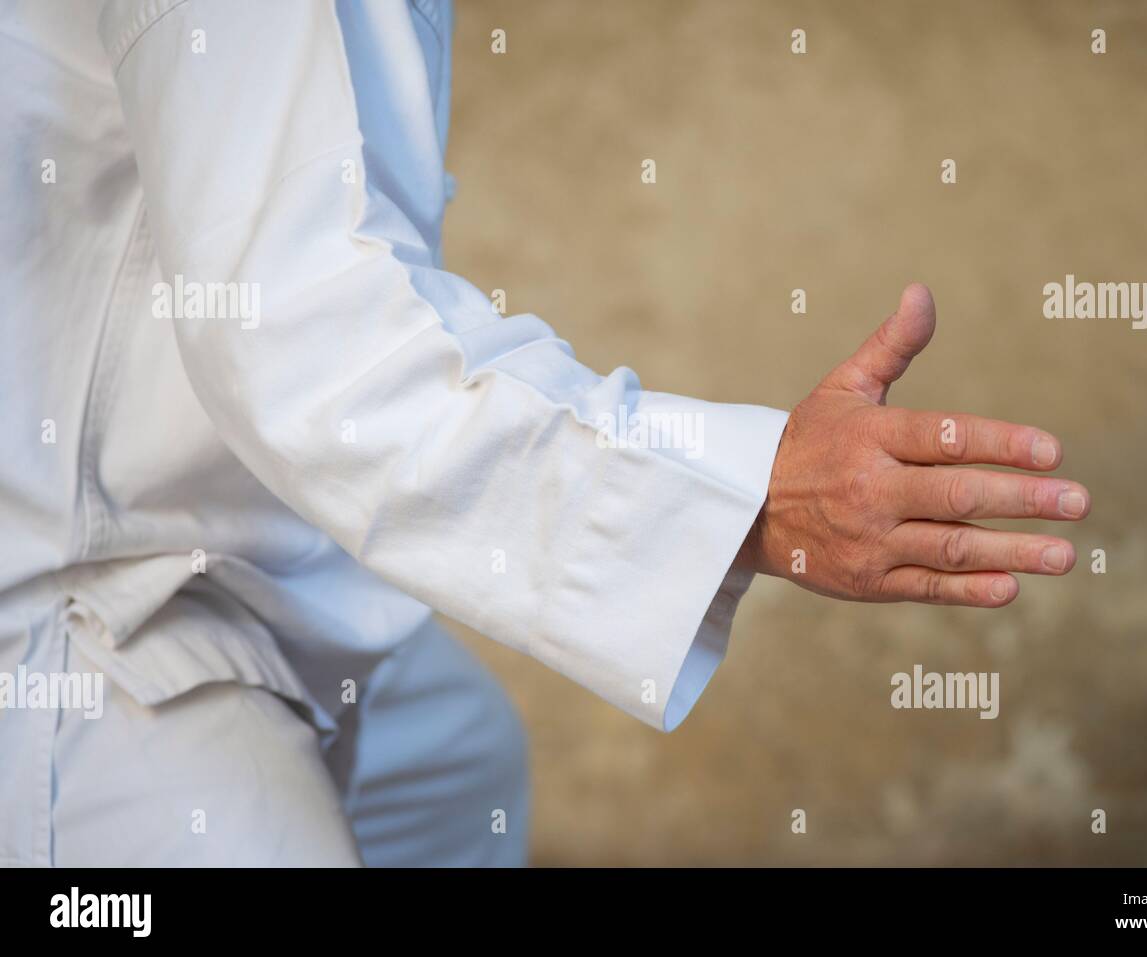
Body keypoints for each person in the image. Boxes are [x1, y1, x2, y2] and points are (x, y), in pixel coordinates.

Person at [0, 0, 1089, 867]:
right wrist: (753, 497)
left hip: (229, 557)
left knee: (457, 762)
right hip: (85, 614)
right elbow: (297, 339)